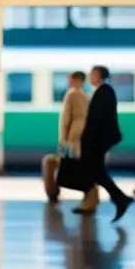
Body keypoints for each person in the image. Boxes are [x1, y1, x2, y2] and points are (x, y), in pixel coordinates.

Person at [80, 66, 133, 222]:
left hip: (97, 141)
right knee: (97, 171)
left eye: (92, 74)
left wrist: (87, 140)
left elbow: (97, 120)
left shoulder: (105, 92)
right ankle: (120, 198)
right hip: (97, 140)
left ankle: (120, 198)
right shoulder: (102, 91)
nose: (90, 77)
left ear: (99, 76)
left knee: (96, 171)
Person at [46, 71, 99, 212]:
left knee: (75, 165)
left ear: (76, 79)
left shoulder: (71, 94)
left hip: (75, 134)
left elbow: (65, 119)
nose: (68, 81)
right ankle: (90, 197)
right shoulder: (87, 96)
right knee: (85, 165)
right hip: (87, 134)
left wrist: (62, 140)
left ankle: (89, 197)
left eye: (70, 78)